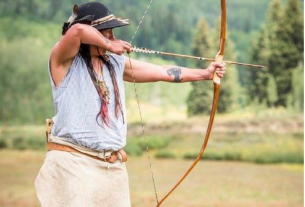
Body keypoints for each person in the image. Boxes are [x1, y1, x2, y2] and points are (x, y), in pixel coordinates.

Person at [34, 2, 226, 207]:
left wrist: (204, 74)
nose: (112, 38)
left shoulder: (116, 63)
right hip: (73, 165)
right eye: (105, 33)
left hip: (111, 169)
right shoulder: (63, 61)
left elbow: (164, 73)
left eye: (111, 33)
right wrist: (110, 45)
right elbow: (78, 31)